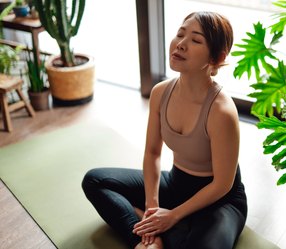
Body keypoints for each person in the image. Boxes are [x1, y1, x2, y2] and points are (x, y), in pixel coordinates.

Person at [82, 11, 247, 249]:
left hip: (219, 201)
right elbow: (152, 153)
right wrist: (152, 209)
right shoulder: (161, 93)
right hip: (176, 184)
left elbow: (222, 184)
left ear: (217, 57)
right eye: (180, 34)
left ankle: (172, 229)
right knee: (96, 181)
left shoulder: (222, 111)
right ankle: (149, 239)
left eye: (196, 40)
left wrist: (173, 215)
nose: (181, 44)